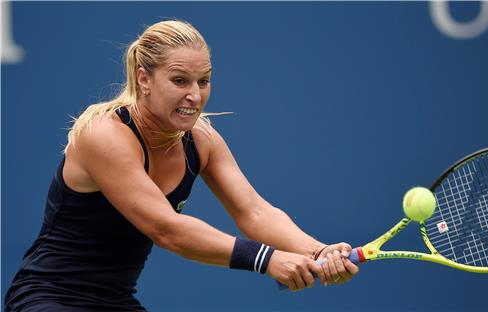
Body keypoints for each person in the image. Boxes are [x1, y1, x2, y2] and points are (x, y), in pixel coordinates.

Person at [4, 20, 358, 311]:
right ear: (144, 79)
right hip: (47, 299)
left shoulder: (202, 140)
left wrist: (317, 251)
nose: (195, 95)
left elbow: (254, 212)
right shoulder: (104, 135)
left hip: (116, 302)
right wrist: (266, 259)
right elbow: (167, 229)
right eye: (179, 81)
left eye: (203, 81)